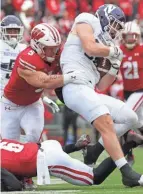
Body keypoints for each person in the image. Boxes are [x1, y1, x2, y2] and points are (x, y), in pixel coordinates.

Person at [59, 4, 142, 186]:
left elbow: (102, 85)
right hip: (73, 85)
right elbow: (89, 47)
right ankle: (126, 171)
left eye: (119, 28)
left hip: (88, 88)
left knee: (131, 117)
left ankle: (94, 151)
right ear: (104, 17)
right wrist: (112, 51)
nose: (116, 30)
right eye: (115, 24)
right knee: (105, 120)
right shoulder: (87, 19)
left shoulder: (108, 44)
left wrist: (113, 67)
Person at [0, 22, 90, 143]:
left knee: (34, 138)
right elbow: (44, 81)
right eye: (50, 48)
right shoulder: (27, 57)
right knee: (9, 145)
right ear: (37, 45)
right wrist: (72, 76)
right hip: (10, 105)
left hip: (32, 103)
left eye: (56, 47)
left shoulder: (58, 54)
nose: (54, 51)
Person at [1, 137, 143, 189]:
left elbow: (14, 185)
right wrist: (74, 147)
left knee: (96, 177)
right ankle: (126, 145)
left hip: (48, 159)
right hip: (48, 145)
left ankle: (127, 145)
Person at [120, 21, 143, 165]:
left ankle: (127, 154)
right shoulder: (119, 50)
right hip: (127, 93)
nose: (131, 39)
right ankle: (129, 151)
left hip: (140, 91)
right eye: (128, 36)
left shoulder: (141, 50)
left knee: (122, 118)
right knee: (139, 124)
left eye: (133, 36)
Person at [0, 15, 26, 95]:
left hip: (16, 91)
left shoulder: (24, 48)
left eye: (15, 31)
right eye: (9, 31)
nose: (12, 34)